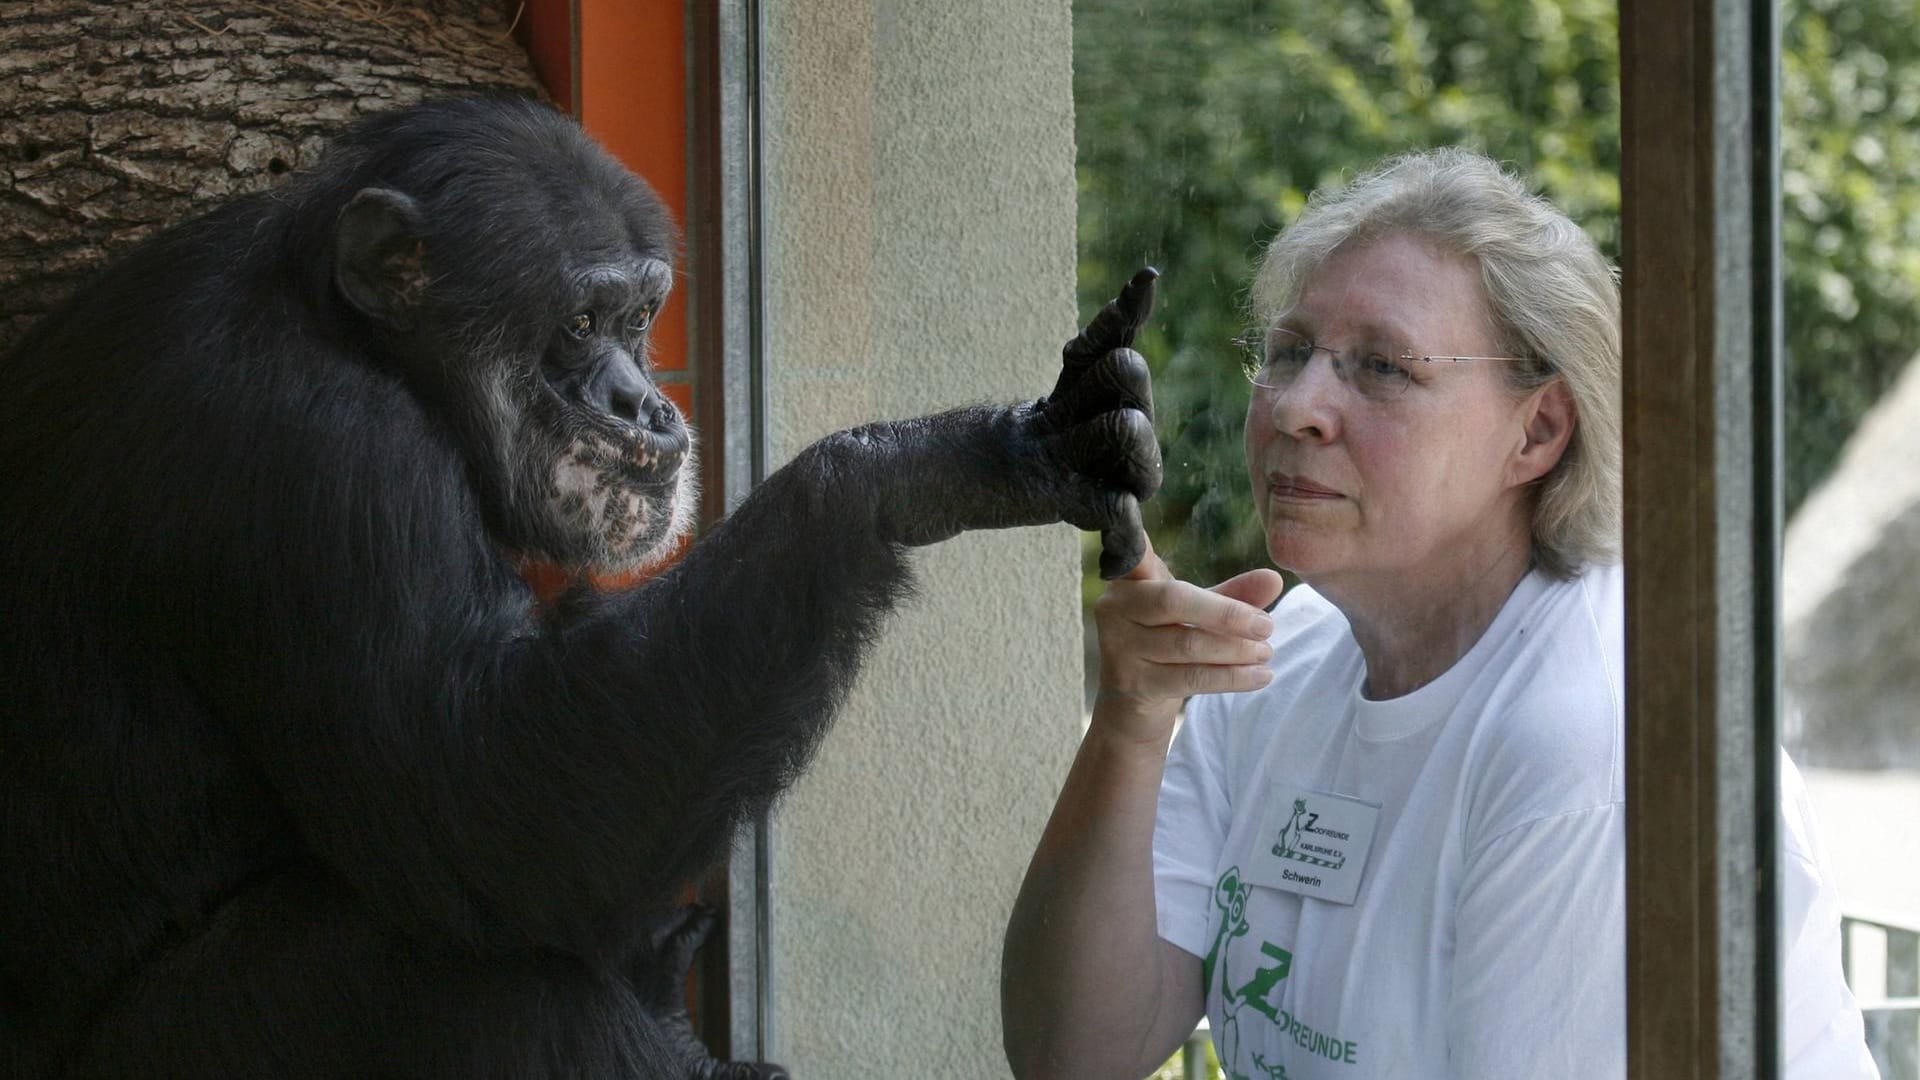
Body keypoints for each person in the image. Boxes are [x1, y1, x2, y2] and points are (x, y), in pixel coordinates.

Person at [1001, 148, 1878, 1079]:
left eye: (1382, 366)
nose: (1298, 405)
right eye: (1291, 351)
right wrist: (1134, 722)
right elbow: (1076, 1055)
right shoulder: (1278, 657)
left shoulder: (1595, 744)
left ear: (1537, 431)